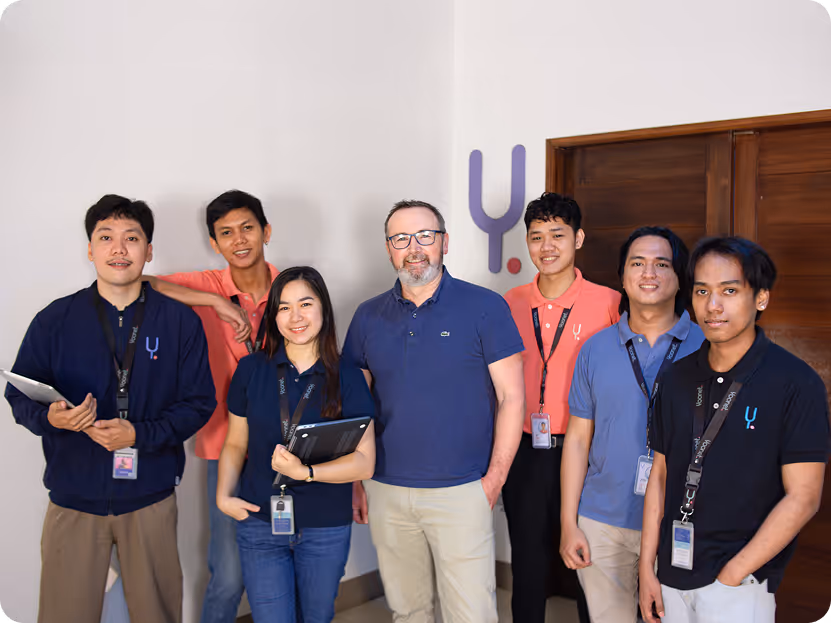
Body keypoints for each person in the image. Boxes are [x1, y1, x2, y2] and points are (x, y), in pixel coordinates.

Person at [4, 195, 216, 623]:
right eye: (106, 237)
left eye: (131, 238)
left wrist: (139, 434)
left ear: (149, 251)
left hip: (150, 499)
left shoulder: (179, 321)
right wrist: (52, 418)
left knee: (157, 614)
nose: (119, 249)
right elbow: (19, 394)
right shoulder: (55, 320)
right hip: (73, 501)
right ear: (90, 249)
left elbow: (199, 403)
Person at [345, 200, 525, 623]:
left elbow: (512, 398)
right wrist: (356, 478)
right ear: (388, 248)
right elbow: (356, 407)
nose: (414, 248)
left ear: (445, 243)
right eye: (401, 238)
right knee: (408, 611)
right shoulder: (367, 316)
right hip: (385, 488)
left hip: (462, 489)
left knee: (472, 613)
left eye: (425, 235)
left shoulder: (485, 306)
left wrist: (494, 480)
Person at [639, 237, 829, 623]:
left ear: (761, 298)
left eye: (729, 291)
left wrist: (733, 575)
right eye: (702, 291)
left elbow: (804, 496)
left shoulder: (795, 382)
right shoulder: (676, 377)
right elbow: (659, 474)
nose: (713, 306)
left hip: (739, 584)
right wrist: (648, 567)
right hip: (672, 572)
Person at [143, 189, 278, 623]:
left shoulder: (292, 287)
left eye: (247, 229)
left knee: (281, 567)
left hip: (288, 447)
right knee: (228, 575)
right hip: (227, 449)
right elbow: (142, 283)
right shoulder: (207, 285)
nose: (239, 240)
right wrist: (216, 302)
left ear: (266, 232)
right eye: (226, 233)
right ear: (215, 243)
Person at [560, 227, 704, 622]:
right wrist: (568, 523)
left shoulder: (708, 347)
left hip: (681, 519)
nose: (648, 273)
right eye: (637, 263)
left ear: (679, 277)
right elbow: (577, 440)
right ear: (623, 277)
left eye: (661, 264)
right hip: (602, 521)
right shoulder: (594, 348)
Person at [217, 266, 376, 623]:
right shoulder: (251, 370)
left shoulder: (346, 375)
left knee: (316, 617)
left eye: (305, 304)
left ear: (323, 309)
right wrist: (223, 495)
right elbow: (234, 443)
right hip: (260, 522)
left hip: (325, 525)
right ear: (274, 315)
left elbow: (365, 462)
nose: (296, 316)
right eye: (284, 307)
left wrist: (305, 472)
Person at [502, 192, 620, 623]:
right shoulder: (509, 303)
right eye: (536, 237)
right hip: (526, 450)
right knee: (528, 562)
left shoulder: (610, 303)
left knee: (589, 560)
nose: (546, 246)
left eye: (557, 234)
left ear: (579, 238)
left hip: (589, 451)